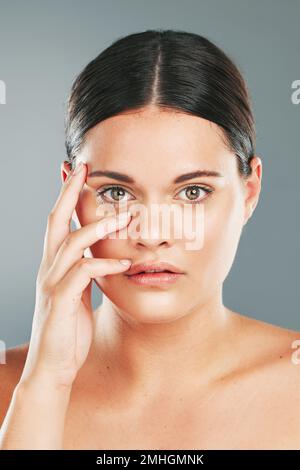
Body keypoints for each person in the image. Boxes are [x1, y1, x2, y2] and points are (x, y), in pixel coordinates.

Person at [0, 29, 299, 450]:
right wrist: (46, 384)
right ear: (69, 196)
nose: (153, 235)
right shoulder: (10, 388)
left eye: (193, 192)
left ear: (249, 193)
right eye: (117, 194)